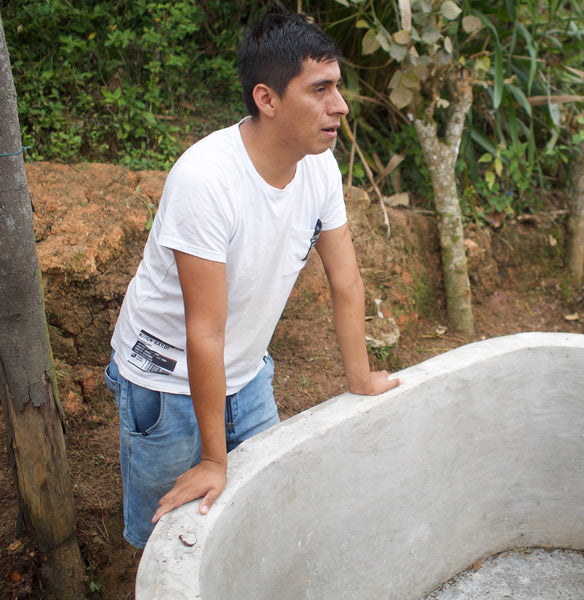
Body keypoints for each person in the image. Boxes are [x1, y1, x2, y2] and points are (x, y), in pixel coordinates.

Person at [104, 2, 399, 549]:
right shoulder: (205, 179)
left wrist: (360, 379)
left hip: (246, 372)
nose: (340, 106)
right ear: (266, 98)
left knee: (262, 510)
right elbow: (203, 331)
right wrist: (214, 458)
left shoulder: (320, 165)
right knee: (165, 537)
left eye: (338, 87)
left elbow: (346, 281)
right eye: (319, 90)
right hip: (165, 380)